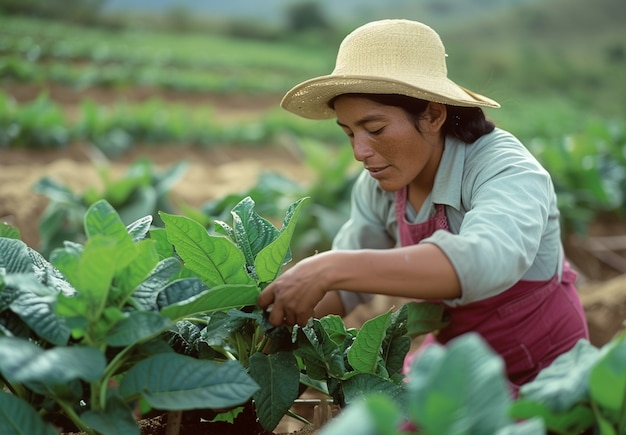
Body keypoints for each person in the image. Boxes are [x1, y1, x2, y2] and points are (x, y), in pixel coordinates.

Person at [257, 18, 589, 389]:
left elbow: (487, 261)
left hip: (543, 369)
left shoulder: (505, 169)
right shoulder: (379, 184)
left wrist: (330, 266)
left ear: (432, 114)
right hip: (461, 361)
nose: (360, 152)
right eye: (349, 133)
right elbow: (342, 289)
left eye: (376, 130)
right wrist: (261, 336)